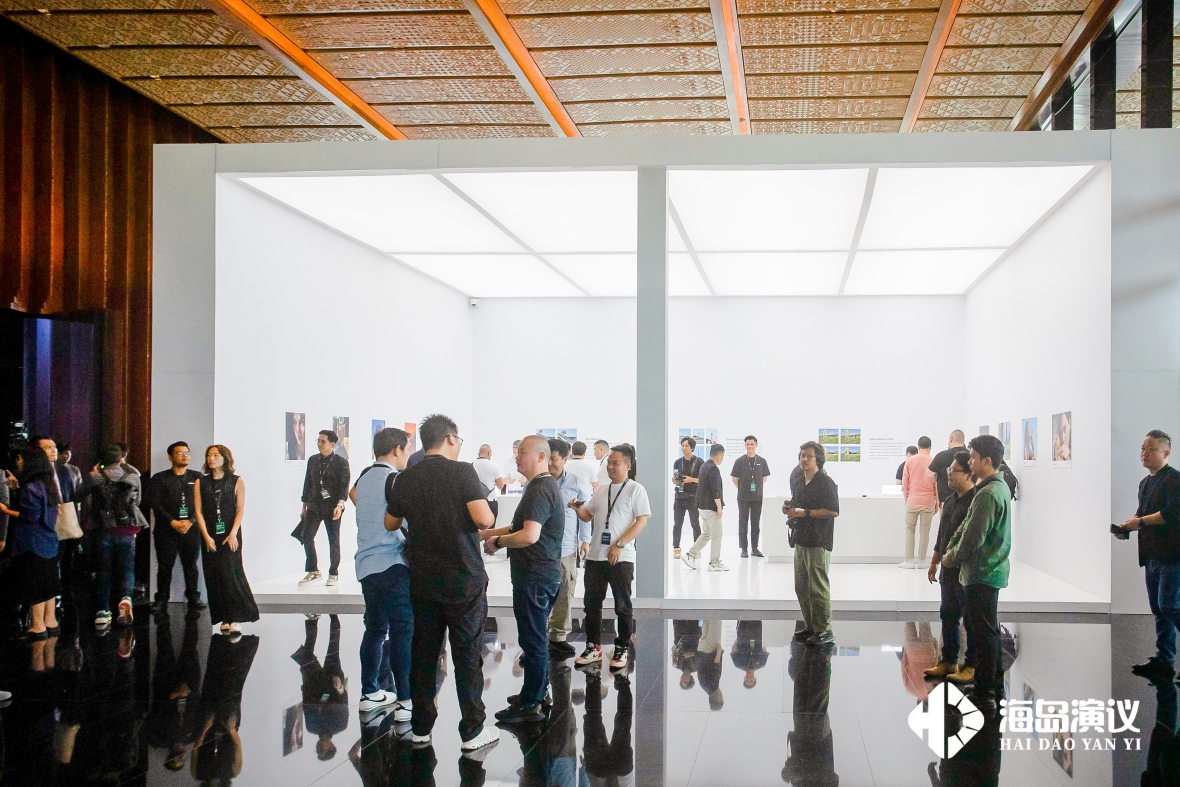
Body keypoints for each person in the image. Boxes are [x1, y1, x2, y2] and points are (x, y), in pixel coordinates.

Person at [384, 413, 500, 753]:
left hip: (423, 580)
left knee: (424, 655)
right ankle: (472, 730)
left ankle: (420, 727)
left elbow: (390, 522)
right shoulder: (462, 471)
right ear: (450, 439)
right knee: (467, 655)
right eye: (459, 440)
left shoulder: (405, 477)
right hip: (463, 580)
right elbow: (484, 518)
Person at [481, 435, 566, 724]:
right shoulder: (539, 486)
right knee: (534, 638)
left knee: (533, 640)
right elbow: (520, 526)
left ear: (541, 457)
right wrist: (488, 533)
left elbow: (529, 535)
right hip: (539, 576)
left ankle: (531, 704)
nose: (517, 457)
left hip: (536, 577)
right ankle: (538, 692)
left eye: (523, 453)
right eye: (517, 452)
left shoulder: (540, 489)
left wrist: (497, 542)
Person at [942, 434, 1012, 715]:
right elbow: (966, 528)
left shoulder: (988, 493)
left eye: (972, 457)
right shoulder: (994, 488)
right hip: (986, 571)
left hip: (982, 571)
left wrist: (951, 557)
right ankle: (993, 686)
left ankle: (985, 692)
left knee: (983, 635)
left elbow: (973, 536)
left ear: (986, 460)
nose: (969, 462)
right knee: (987, 632)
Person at [351, 427, 413, 717]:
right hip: (392, 563)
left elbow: (354, 496)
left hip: (366, 564)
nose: (409, 455)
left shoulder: (364, 477)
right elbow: (406, 520)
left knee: (375, 629)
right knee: (403, 630)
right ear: (397, 449)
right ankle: (406, 700)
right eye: (408, 449)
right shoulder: (395, 479)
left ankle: (370, 692)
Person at [573, 444, 650, 671]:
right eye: (608, 463)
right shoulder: (601, 490)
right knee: (591, 605)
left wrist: (619, 544)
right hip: (596, 557)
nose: (610, 467)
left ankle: (622, 647)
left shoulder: (636, 489)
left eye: (615, 463)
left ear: (628, 465)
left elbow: (641, 522)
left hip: (621, 557)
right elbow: (587, 515)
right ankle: (593, 647)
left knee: (622, 606)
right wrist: (577, 508)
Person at [1120, 430, 1180, 684]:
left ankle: (1165, 659)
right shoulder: (1145, 483)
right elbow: (1142, 512)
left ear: (1166, 453)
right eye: (1143, 448)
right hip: (1152, 556)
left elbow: (1171, 513)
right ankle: (1164, 660)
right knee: (1158, 609)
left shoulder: (1175, 480)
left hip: (1172, 556)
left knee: (1169, 606)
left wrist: (1141, 521)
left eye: (1151, 449)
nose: (1144, 453)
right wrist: (1128, 527)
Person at [924, 451, 978, 684]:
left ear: (968, 475)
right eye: (949, 470)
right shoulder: (951, 501)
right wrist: (934, 561)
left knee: (970, 620)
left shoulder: (975, 502)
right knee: (948, 615)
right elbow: (942, 535)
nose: (949, 474)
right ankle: (948, 661)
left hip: (964, 571)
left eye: (954, 471)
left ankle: (971, 665)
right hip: (947, 568)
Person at [194, 444, 259, 635]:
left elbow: (240, 510)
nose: (211, 458)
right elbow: (198, 511)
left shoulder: (236, 481)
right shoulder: (200, 482)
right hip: (209, 534)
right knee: (214, 575)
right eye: (209, 455)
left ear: (225, 458)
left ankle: (236, 616)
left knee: (230, 573)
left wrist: (233, 533)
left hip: (230, 533)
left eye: (216, 455)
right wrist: (206, 536)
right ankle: (223, 617)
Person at [83, 443, 148, 629]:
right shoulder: (133, 477)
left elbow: (80, 497)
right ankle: (126, 598)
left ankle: (102, 612)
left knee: (103, 571)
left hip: (103, 529)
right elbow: (137, 501)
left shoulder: (94, 477)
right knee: (127, 569)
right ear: (121, 458)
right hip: (127, 529)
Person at [784, 441, 840, 646]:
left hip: (818, 540)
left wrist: (805, 513)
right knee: (801, 587)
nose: (804, 459)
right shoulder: (799, 482)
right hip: (801, 539)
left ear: (818, 459)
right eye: (802, 455)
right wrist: (789, 507)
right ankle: (811, 626)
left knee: (817, 588)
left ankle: (824, 630)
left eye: (809, 456)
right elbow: (796, 503)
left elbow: (833, 511)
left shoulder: (826, 483)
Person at [543, 438, 590, 660]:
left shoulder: (576, 482)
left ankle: (558, 637)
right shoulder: (536, 482)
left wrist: (585, 540)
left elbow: (586, 513)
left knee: (565, 592)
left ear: (565, 459)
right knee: (541, 594)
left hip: (567, 547)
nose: (550, 463)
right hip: (541, 549)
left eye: (554, 459)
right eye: (547, 458)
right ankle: (537, 638)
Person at [148, 441, 206, 616]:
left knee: (191, 565)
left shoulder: (197, 477)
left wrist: (191, 521)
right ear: (170, 457)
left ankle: (193, 597)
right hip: (166, 530)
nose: (185, 456)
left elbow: (203, 503)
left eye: (187, 452)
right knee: (165, 566)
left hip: (191, 529)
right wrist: (172, 522)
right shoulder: (159, 478)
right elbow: (155, 503)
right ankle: (161, 599)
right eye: (180, 453)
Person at [10, 445, 60, 639]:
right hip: (49, 540)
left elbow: (30, 516)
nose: (18, 462)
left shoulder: (31, 488)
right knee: (48, 582)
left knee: (35, 583)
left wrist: (6, 510)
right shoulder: (49, 484)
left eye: (20, 458)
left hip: (32, 541)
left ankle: (37, 626)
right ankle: (50, 621)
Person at [293, 613, 349, 760]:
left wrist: (305, 683)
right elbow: (344, 701)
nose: (318, 747)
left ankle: (313, 620)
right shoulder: (340, 726)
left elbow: (307, 704)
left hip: (313, 682)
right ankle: (334, 616)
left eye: (318, 750)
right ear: (331, 746)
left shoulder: (311, 728)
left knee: (308, 651)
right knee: (333, 647)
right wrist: (339, 687)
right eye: (322, 750)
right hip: (332, 683)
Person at [300, 430, 351, 587]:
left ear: (332, 444)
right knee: (306, 536)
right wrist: (304, 506)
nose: (319, 444)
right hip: (314, 505)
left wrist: (340, 505)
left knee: (333, 540)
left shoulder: (341, 463)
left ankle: (333, 572)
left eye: (323, 441)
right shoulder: (313, 460)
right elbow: (308, 483)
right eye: (318, 440)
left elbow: (344, 485)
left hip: (332, 506)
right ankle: (313, 570)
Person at [681, 443, 726, 572]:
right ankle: (714, 562)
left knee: (707, 534)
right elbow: (715, 490)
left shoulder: (704, 466)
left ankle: (690, 554)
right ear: (719, 455)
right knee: (717, 535)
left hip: (702, 507)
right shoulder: (713, 469)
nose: (722, 459)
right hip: (711, 507)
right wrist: (719, 507)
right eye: (722, 456)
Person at [900, 435, 938, 569]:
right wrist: (937, 502)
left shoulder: (910, 461)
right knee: (925, 531)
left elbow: (905, 483)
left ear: (918, 446)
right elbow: (936, 484)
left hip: (913, 500)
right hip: (928, 501)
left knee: (909, 530)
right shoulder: (933, 461)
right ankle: (922, 561)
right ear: (930, 447)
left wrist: (906, 498)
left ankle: (909, 561)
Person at [731, 435, 771, 558]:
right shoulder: (739, 461)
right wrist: (742, 489)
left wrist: (756, 488)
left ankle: (755, 548)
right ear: (745, 445)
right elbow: (734, 478)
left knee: (755, 523)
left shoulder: (762, 461)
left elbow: (764, 478)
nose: (750, 446)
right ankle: (744, 549)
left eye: (752, 444)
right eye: (748, 444)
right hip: (743, 497)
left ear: (756, 445)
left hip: (757, 498)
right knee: (743, 523)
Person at [672, 436, 703, 559]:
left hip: (693, 497)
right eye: (682, 446)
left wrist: (691, 480)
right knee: (677, 524)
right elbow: (675, 476)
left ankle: (697, 549)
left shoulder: (699, 462)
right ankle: (676, 548)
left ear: (692, 448)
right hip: (679, 497)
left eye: (686, 446)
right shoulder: (677, 462)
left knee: (695, 523)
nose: (684, 448)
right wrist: (674, 480)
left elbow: (703, 480)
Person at [928, 431, 966, 504]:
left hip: (946, 500)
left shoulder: (941, 456)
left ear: (951, 439)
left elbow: (929, 473)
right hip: (968, 499)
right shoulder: (971, 456)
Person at [471, 444, 505, 523]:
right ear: (489, 453)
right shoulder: (494, 466)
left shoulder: (470, 466)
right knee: (490, 527)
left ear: (478, 454)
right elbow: (500, 486)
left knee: (475, 527)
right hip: (490, 501)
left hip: (475, 502)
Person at [730, 620, 768, 689]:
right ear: (755, 679)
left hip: (743, 634)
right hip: (757, 634)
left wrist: (738, 637)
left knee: (743, 617)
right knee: (756, 617)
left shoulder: (738, 664)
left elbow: (733, 650)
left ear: (744, 678)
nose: (749, 679)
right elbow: (764, 649)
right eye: (751, 681)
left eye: (747, 680)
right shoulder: (761, 664)